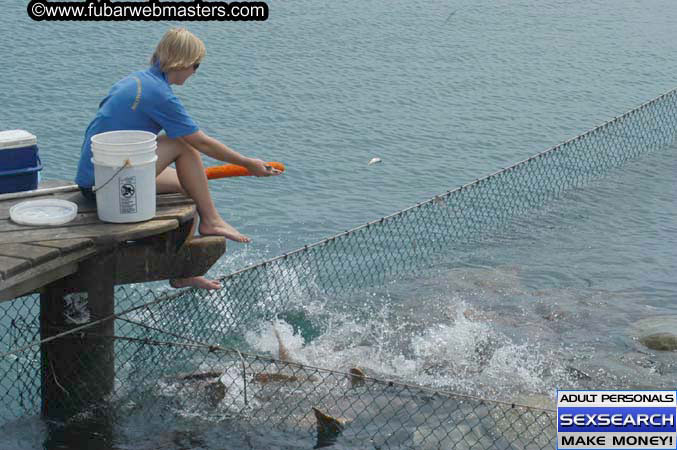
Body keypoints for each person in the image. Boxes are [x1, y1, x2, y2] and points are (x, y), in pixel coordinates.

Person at [75, 27, 280, 290]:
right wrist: (247, 163)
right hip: (105, 186)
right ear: (181, 63)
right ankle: (212, 220)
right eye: (196, 66)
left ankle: (184, 270)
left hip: (94, 178)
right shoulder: (159, 94)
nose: (195, 72)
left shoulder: (135, 81)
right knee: (182, 143)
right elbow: (200, 141)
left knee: (190, 185)